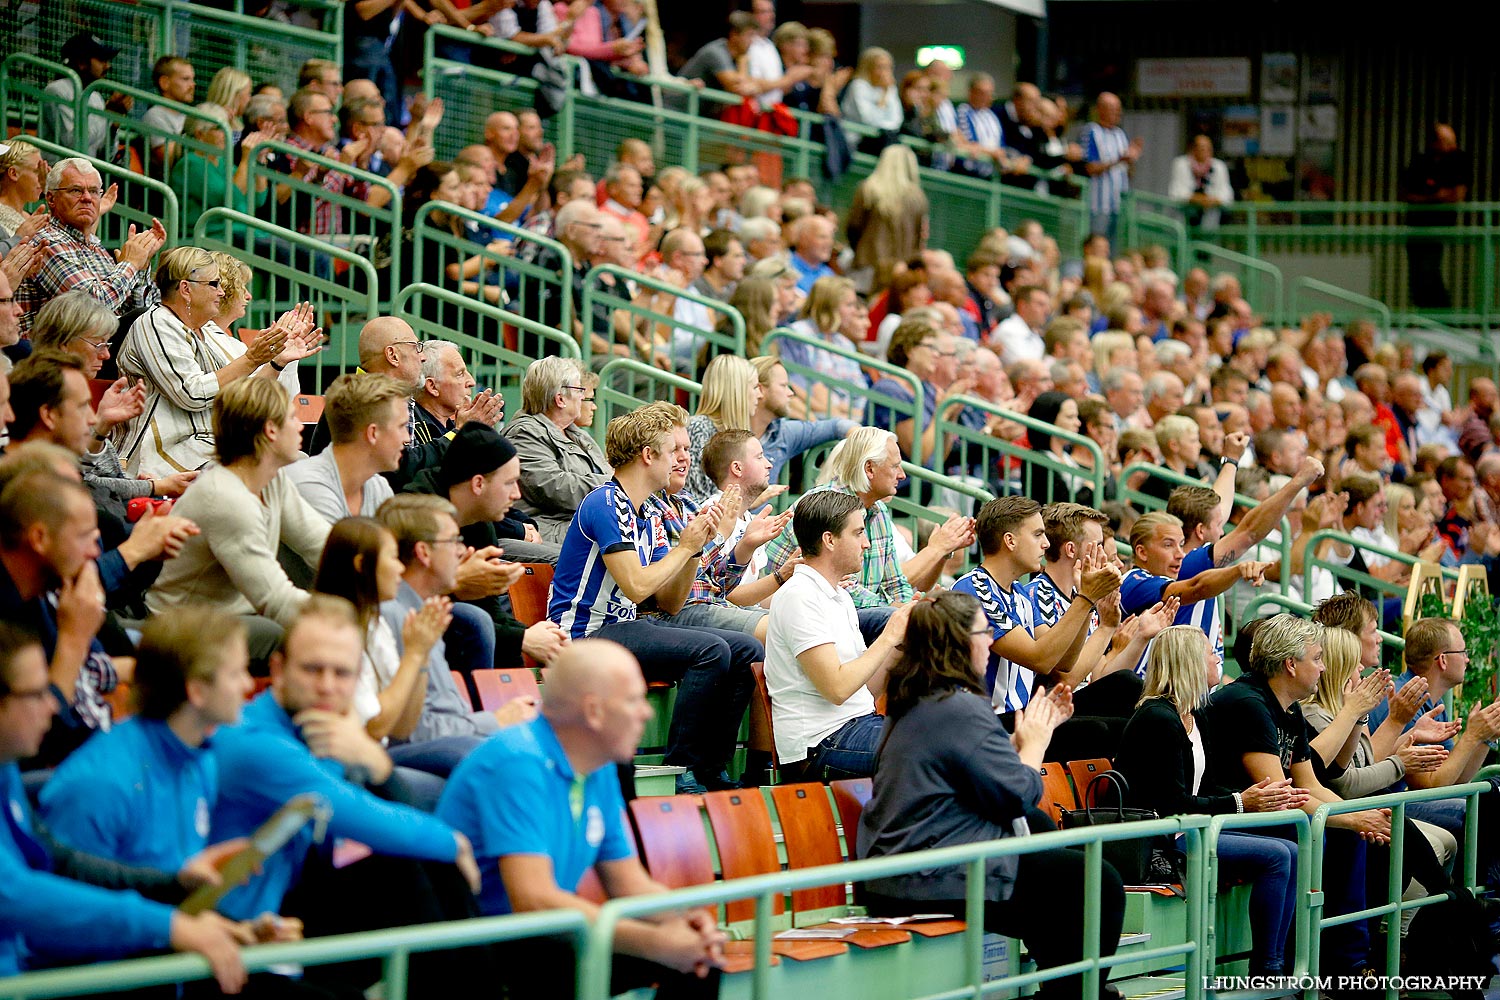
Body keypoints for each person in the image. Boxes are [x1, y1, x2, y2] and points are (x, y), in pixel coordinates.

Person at [209, 596, 491, 998]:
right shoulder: (255, 741)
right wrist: (452, 841)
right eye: (312, 669)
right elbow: (361, 816)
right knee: (427, 855)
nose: (327, 685)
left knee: (415, 869)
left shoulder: (319, 730)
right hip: (234, 932)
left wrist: (376, 762)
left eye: (341, 674)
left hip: (289, 912)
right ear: (278, 669)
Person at [858, 591, 1125, 1000]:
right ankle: (1074, 994)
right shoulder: (957, 707)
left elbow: (991, 786)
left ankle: (1070, 990)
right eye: (986, 632)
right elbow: (1018, 794)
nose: (991, 641)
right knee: (1096, 882)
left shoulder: (921, 699)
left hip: (908, 869)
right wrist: (1034, 745)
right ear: (963, 645)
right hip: (927, 876)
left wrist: (1025, 741)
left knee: (1040, 835)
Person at [437, 641, 725, 1000]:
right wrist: (656, 942)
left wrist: (684, 919)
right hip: (484, 946)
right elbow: (534, 901)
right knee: (661, 955)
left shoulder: (598, 765)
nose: (646, 714)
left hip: (544, 936)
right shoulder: (517, 761)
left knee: (701, 959)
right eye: (634, 700)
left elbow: (628, 882)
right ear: (594, 711)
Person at [0, 622, 254, 991]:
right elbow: (16, 896)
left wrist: (174, 886)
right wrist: (168, 925)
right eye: (37, 693)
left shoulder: (4, 768)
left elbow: (61, 862)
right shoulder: (99, 782)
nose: (54, 704)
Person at [547, 405, 760, 794]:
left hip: (629, 627)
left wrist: (696, 549)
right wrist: (687, 546)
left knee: (746, 649)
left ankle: (710, 769)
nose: (684, 459)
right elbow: (636, 586)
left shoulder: (648, 512)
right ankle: (683, 772)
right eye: (674, 451)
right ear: (648, 456)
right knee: (711, 651)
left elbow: (671, 602)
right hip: (586, 633)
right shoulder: (605, 502)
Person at [1202, 614, 1390, 980]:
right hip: (1224, 815)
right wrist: (1351, 819)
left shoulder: (1289, 708)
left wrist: (1358, 816)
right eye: (1317, 658)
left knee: (1353, 833)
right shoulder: (1247, 702)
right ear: (1291, 665)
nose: (1322, 668)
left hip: (1260, 813)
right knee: (1304, 838)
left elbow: (1310, 786)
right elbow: (1282, 796)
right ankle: (1279, 965)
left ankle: (1344, 959)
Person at [1116, 625, 1304, 975]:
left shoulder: (1196, 716)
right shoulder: (1157, 719)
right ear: (1188, 662)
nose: (1218, 656)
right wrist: (1240, 803)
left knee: (1293, 846)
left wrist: (1253, 798)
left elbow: (1207, 787)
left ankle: (1280, 963)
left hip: (1193, 827)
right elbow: (1173, 802)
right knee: (1278, 855)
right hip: (1164, 837)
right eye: (1209, 652)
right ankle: (1267, 969)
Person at [146, 377, 330, 664]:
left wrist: (371, 574)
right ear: (270, 430)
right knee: (290, 636)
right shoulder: (225, 498)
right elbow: (276, 599)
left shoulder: (271, 479)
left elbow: (323, 544)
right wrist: (347, 617)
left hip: (225, 618)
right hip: (178, 629)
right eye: (292, 418)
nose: (300, 426)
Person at [118, 247, 321, 477]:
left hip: (207, 450)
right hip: (162, 457)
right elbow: (192, 394)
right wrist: (252, 359)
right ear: (186, 289)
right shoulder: (156, 323)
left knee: (300, 464)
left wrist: (277, 362)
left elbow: (240, 403)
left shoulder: (199, 332)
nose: (222, 292)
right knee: (289, 470)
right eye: (214, 284)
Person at [764, 489, 912, 779]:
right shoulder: (799, 596)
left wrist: (900, 646)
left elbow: (863, 691)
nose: (867, 544)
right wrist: (887, 638)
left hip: (855, 726)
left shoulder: (839, 595)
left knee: (945, 735)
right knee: (933, 751)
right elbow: (837, 689)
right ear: (829, 540)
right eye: (858, 533)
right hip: (820, 744)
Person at [406, 422, 568, 668]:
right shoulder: (414, 515)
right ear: (478, 484)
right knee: (473, 621)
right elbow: (412, 605)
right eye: (508, 483)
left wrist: (533, 638)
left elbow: (491, 610)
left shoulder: (480, 522)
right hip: (414, 647)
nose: (517, 495)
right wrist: (522, 638)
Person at [762, 427, 975, 610]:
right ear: (869, 468)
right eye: (894, 466)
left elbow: (896, 584)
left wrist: (910, 605)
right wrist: (904, 610)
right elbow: (845, 593)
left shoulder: (879, 510)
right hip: (793, 611)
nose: (902, 475)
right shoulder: (828, 505)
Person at [951, 495, 1125, 713]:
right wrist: (1086, 599)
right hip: (986, 720)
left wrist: (1087, 602)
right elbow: (1041, 660)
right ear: (1010, 541)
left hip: (1017, 717)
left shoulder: (1020, 594)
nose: (1047, 543)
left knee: (1124, 692)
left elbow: (1063, 662)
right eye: (1037, 535)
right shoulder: (975, 589)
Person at [312, 517, 454, 750]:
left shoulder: (374, 624)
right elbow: (375, 726)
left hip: (381, 754)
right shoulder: (329, 632)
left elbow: (402, 727)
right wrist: (414, 655)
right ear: (362, 565)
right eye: (392, 557)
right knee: (461, 751)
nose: (400, 568)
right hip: (345, 763)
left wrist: (422, 653)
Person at [14, 158, 165, 337]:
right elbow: (93, 308)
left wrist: (141, 265)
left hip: (96, 350)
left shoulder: (95, 245)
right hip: (53, 357)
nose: (87, 198)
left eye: (93, 191)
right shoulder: (47, 242)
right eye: (76, 190)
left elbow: (137, 310)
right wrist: (130, 264)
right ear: (51, 199)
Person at [506, 356, 611, 544]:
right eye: (579, 390)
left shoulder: (576, 433)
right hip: (547, 529)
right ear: (560, 399)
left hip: (579, 522)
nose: (583, 396)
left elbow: (608, 473)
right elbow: (553, 486)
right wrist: (615, 487)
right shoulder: (524, 433)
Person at [285, 372, 405, 524]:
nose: (406, 438)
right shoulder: (308, 485)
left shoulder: (378, 487)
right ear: (373, 433)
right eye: (401, 426)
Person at [749, 355, 857, 485]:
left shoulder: (783, 433)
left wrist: (860, 438)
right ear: (760, 389)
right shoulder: (723, 433)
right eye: (783, 386)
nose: (791, 393)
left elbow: (836, 426)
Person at [1400, 124, 1470, 309]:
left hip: (1439, 226)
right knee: (1417, 273)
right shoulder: (1421, 162)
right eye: (1447, 142)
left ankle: (1441, 313)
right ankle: (1423, 312)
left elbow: (1457, 195)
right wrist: (1435, 197)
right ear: (1435, 142)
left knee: (1430, 269)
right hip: (1416, 225)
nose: (1451, 146)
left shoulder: (1457, 162)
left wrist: (1428, 198)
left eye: (1452, 142)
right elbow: (1406, 193)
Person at [781, 275, 868, 420]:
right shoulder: (797, 334)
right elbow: (797, 385)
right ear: (830, 306)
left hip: (850, 417)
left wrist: (847, 412)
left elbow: (860, 393)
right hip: (813, 416)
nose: (854, 311)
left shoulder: (845, 344)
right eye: (849, 305)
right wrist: (836, 412)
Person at [845, 144, 928, 290]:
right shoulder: (918, 197)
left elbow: (854, 226)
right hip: (901, 267)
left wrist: (858, 248)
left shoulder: (868, 189)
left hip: (867, 261)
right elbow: (918, 237)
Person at [684, 355, 761, 502]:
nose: (760, 395)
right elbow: (696, 500)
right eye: (755, 387)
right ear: (737, 391)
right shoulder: (699, 428)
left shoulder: (733, 436)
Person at [1082, 93, 1142, 249]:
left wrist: (1131, 160)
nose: (1118, 113)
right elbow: (1089, 167)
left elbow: (1128, 173)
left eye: (1119, 109)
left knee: (1115, 249)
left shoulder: (1120, 134)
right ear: (1100, 110)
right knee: (1096, 246)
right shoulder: (1091, 131)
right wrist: (1119, 160)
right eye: (1113, 109)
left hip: (1118, 205)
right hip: (1097, 205)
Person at [1169, 136, 1234, 230]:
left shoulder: (1219, 166)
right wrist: (1198, 199)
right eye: (1201, 148)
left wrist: (1212, 200)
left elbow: (1226, 194)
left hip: (1211, 212)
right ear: (1193, 149)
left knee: (1217, 217)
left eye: (1208, 148)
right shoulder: (1181, 164)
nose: (1205, 151)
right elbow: (1177, 193)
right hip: (1187, 212)